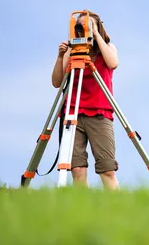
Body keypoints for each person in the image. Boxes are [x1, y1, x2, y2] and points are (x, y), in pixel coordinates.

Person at [50, 10, 120, 190]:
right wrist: (61, 56)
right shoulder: (71, 52)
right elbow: (57, 82)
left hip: (99, 112)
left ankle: (118, 208)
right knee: (78, 170)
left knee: (107, 170)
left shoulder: (108, 48)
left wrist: (96, 34)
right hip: (73, 112)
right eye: (79, 26)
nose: (83, 29)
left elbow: (112, 63)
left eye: (86, 25)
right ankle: (84, 209)